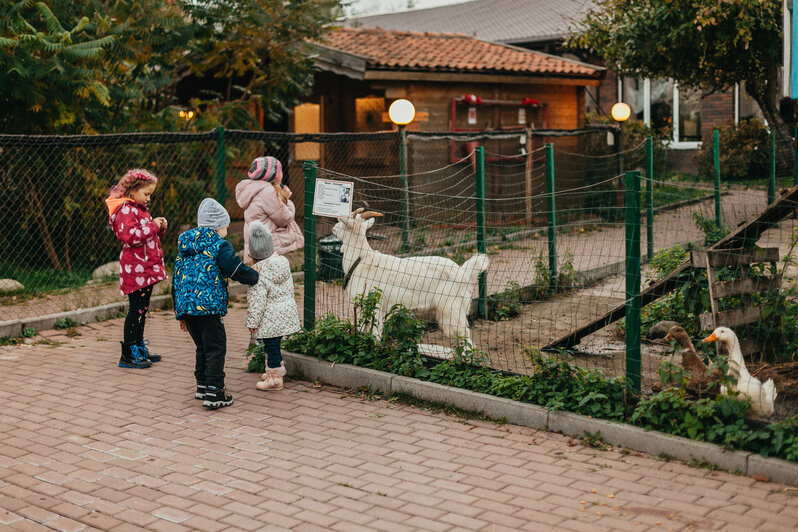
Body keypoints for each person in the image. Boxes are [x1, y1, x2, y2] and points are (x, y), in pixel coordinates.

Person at [173, 198, 259, 410]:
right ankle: (215, 392)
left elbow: (176, 280)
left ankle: (202, 385)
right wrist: (254, 276)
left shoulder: (186, 245)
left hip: (186, 306)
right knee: (216, 348)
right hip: (209, 307)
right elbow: (234, 269)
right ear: (218, 226)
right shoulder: (220, 246)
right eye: (226, 227)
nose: (227, 231)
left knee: (202, 347)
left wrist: (180, 313)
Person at [106, 169, 168, 369]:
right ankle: (128, 353)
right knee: (136, 310)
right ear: (132, 191)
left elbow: (145, 235)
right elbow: (131, 237)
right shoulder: (125, 210)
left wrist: (159, 227)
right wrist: (153, 226)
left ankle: (138, 347)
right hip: (136, 270)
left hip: (145, 269)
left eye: (151, 194)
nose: (149, 198)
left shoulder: (138, 209)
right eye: (146, 194)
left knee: (142, 309)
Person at [245, 221, 300, 391]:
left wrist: (252, 324)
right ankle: (274, 370)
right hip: (285, 314)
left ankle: (274, 379)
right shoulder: (282, 263)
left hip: (269, 319)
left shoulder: (258, 274)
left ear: (253, 253)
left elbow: (257, 303)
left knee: (271, 347)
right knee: (274, 345)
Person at [236, 156, 303, 265]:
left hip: (256, 245)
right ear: (273, 176)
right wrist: (287, 199)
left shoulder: (254, 189)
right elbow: (286, 218)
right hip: (267, 247)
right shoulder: (267, 192)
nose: (282, 173)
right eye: (280, 171)